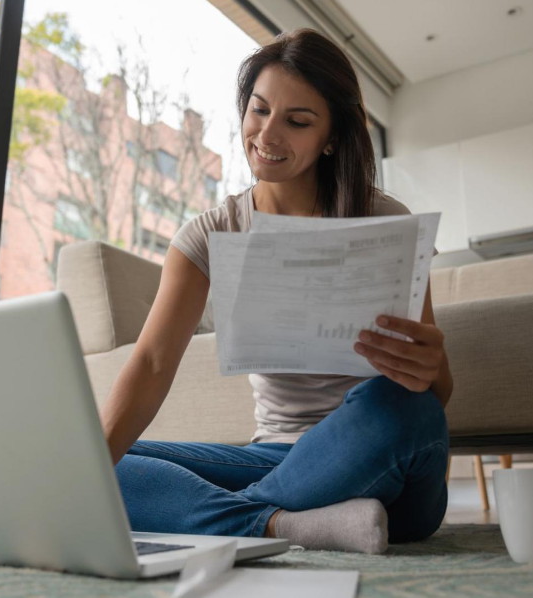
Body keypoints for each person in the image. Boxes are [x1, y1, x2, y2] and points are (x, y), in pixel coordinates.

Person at [100, 28, 452, 554]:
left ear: (331, 137)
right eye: (259, 110)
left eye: (297, 121)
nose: (267, 134)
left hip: (381, 457)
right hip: (275, 459)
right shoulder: (209, 234)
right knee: (102, 461)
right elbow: (151, 363)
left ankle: (242, 517)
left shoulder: (385, 221)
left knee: (405, 405)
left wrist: (430, 368)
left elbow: (437, 391)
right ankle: (283, 526)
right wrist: (87, 466)